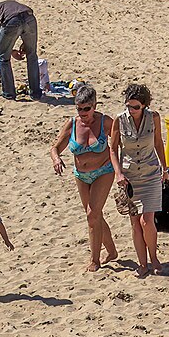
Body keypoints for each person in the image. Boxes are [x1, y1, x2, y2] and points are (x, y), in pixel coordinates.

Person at [50, 82, 120, 271]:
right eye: (79, 109)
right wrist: (56, 159)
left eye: (86, 109)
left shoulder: (106, 122)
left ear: (95, 105)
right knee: (94, 216)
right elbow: (55, 147)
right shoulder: (72, 124)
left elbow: (122, 142)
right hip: (81, 175)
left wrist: (122, 169)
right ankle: (112, 251)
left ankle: (94, 260)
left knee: (92, 214)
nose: (83, 113)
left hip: (103, 172)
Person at [111, 83, 167, 278]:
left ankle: (154, 258)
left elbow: (158, 142)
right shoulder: (119, 120)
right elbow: (113, 148)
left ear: (144, 105)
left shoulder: (154, 118)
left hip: (150, 173)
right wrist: (118, 173)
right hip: (130, 177)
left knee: (147, 221)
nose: (132, 110)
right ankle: (142, 264)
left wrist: (165, 168)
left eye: (136, 107)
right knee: (135, 222)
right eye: (129, 106)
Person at [0, 0, 47, 102]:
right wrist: (25, 44)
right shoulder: (0, 8)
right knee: (32, 56)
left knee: (3, 58)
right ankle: (35, 93)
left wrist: (11, 52)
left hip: (12, 20)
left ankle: (9, 94)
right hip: (29, 17)